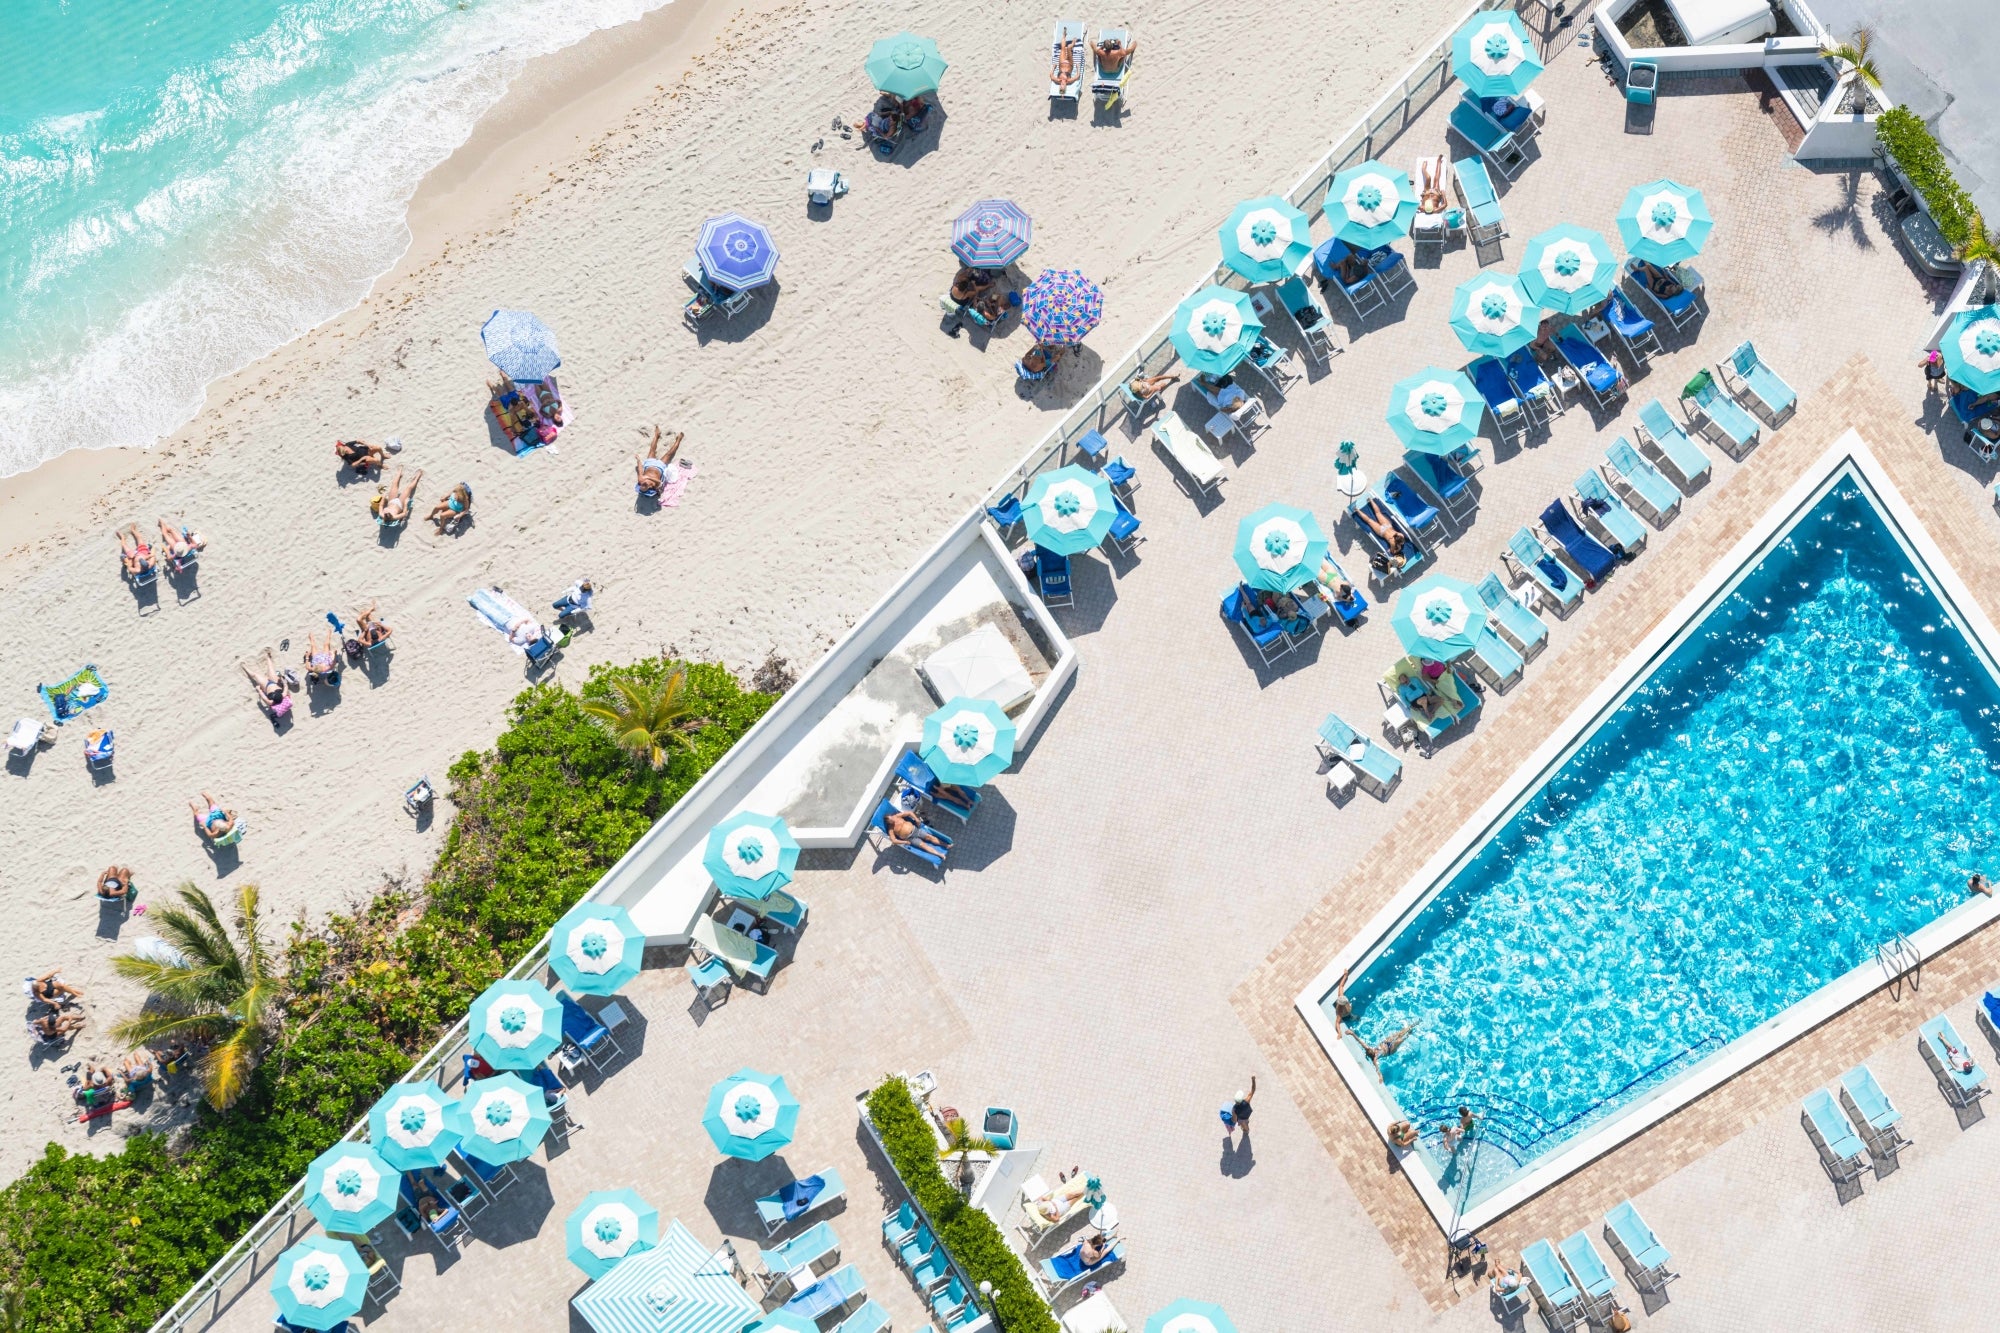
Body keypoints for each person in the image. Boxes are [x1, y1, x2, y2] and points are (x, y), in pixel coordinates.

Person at [635, 426, 685, 498]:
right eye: (644, 485)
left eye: (642, 485)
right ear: (648, 488)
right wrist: (649, 478)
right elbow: (660, 482)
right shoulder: (654, 485)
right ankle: (678, 439)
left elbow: (640, 469)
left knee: (652, 449)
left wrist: (638, 460)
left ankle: (657, 435)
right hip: (660, 467)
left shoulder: (641, 480)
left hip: (649, 464)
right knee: (670, 453)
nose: (643, 484)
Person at [884, 808, 949, 859]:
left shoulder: (897, 816)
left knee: (930, 837)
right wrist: (905, 842)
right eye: (891, 820)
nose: (893, 820)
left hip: (916, 830)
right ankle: (940, 855)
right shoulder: (891, 829)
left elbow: (909, 813)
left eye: (892, 818)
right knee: (923, 846)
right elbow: (894, 840)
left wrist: (916, 819)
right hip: (910, 838)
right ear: (888, 822)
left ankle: (946, 845)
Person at [1329, 966, 1353, 1033]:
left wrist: (1345, 976)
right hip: (1347, 1012)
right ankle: (1352, 1016)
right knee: (1351, 1016)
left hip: (1346, 1012)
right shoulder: (1342, 1009)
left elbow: (1341, 986)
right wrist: (1339, 1032)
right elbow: (1337, 1023)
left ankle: (1352, 1016)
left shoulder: (1341, 997)